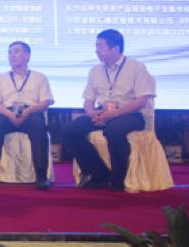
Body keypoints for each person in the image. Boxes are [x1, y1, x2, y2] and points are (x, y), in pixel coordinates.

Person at [63, 29, 156, 191]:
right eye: (96, 46)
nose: (96, 50)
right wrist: (91, 112)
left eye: (100, 46)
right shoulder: (95, 70)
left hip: (129, 113)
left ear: (116, 48)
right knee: (70, 130)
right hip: (102, 112)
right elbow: (88, 99)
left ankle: (118, 179)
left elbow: (141, 101)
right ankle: (99, 173)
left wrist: (113, 114)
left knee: (113, 130)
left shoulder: (137, 68)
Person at [0, 41, 54, 190]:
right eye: (9, 53)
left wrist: (27, 112)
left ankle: (41, 175)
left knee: (38, 126)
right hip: (7, 112)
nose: (12, 55)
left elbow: (46, 102)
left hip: (31, 112)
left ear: (27, 56)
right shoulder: (1, 78)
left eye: (16, 52)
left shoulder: (39, 77)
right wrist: (9, 114)